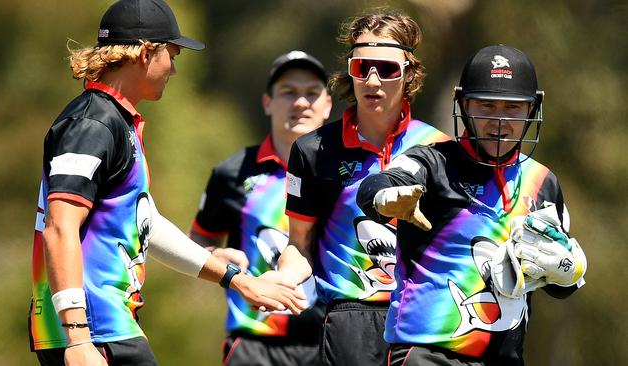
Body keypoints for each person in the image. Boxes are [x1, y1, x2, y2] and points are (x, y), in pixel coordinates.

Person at [28, 1, 305, 365]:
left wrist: (234, 279)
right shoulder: (91, 124)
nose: (174, 69)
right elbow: (59, 226)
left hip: (109, 328)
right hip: (93, 331)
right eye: (172, 55)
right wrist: (78, 338)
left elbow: (146, 225)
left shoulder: (118, 121)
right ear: (145, 52)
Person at [356, 44, 587, 365]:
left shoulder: (543, 181)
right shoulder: (432, 160)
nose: (499, 121)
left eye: (513, 108)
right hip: (427, 354)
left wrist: (564, 271)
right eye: (486, 106)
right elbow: (376, 187)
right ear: (463, 105)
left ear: (533, 110)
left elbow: (563, 284)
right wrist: (386, 198)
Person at [272, 9, 451, 366]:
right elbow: (299, 245)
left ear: (409, 73)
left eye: (386, 69)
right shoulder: (311, 150)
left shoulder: (440, 149)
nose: (372, 81)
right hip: (348, 321)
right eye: (361, 67)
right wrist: (281, 280)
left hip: (425, 321)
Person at [188, 50, 332, 366]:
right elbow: (195, 243)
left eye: (311, 93)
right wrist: (215, 258)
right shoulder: (232, 172)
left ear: (328, 105)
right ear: (267, 102)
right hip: (255, 346)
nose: (300, 102)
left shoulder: (347, 172)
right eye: (288, 92)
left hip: (332, 342)